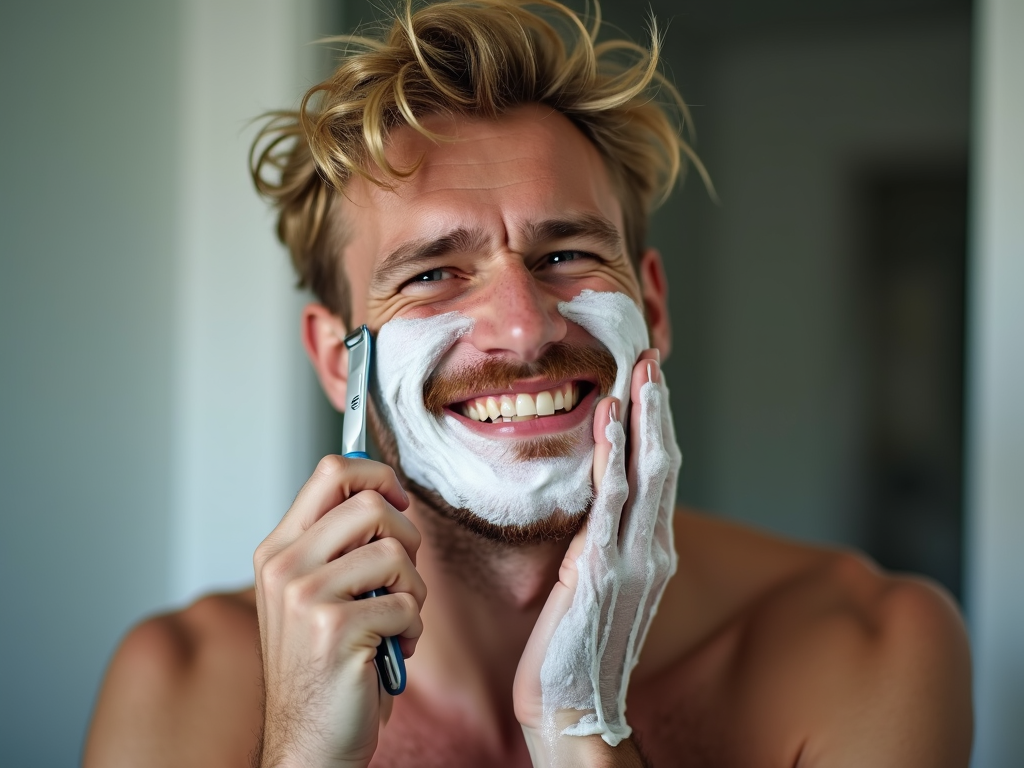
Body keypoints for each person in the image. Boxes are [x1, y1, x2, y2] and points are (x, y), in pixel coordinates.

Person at [83, 1, 972, 765]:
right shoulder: (182, 687)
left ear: (652, 306)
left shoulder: (874, 649)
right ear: (335, 360)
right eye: (432, 273)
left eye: (566, 254)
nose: (522, 324)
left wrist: (582, 728)